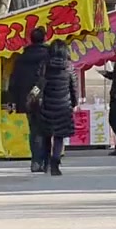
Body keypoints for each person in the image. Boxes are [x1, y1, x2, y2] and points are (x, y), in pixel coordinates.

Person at [30, 29, 76, 176]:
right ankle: (56, 163)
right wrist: (73, 103)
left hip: (47, 106)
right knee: (59, 137)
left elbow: (38, 85)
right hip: (63, 107)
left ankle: (47, 164)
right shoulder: (69, 67)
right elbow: (73, 88)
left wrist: (32, 97)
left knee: (46, 136)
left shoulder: (44, 65)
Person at [11, 29, 51, 173]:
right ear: (45, 38)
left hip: (27, 100)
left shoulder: (21, 58)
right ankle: (46, 162)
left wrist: (15, 100)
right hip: (46, 98)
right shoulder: (49, 57)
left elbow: (14, 81)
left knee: (33, 130)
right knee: (46, 130)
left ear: (31, 39)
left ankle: (35, 160)